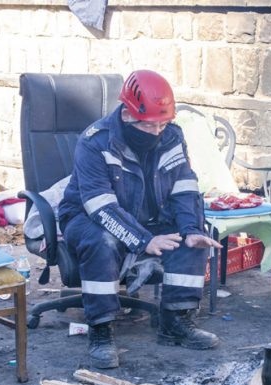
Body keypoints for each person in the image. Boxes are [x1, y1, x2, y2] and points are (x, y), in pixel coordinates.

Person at [59, 70, 221, 369]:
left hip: (147, 217)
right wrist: (144, 240)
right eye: (149, 125)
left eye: (163, 123)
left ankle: (177, 322)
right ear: (126, 114)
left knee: (191, 239)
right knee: (103, 241)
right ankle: (101, 330)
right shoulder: (96, 141)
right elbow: (100, 206)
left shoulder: (172, 136)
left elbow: (185, 185)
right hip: (87, 217)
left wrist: (190, 229)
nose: (157, 132)